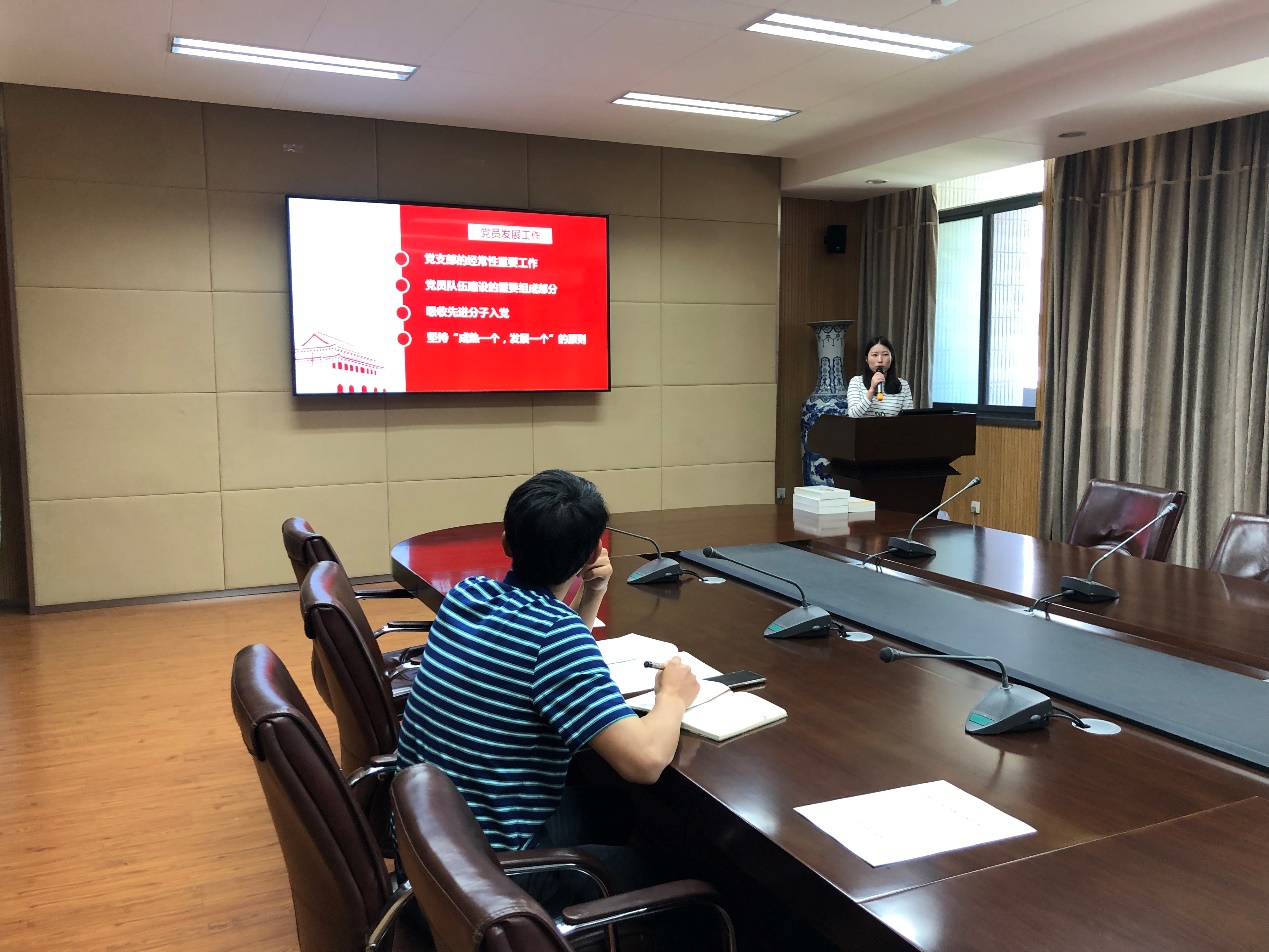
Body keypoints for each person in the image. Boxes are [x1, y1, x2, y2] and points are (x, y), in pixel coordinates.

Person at [396, 469, 701, 913]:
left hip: (427, 847)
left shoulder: (467, 594)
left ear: (506, 542)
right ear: (593, 553)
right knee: (687, 875)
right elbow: (645, 762)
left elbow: (544, 642)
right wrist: (672, 695)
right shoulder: (554, 638)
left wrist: (592, 592)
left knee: (616, 810)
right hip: (489, 880)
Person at [846, 335, 915, 417]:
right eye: (875, 355)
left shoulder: (903, 385)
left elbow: (909, 418)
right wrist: (872, 390)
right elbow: (853, 415)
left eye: (885, 355)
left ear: (892, 358)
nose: (880, 360)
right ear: (866, 359)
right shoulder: (856, 382)